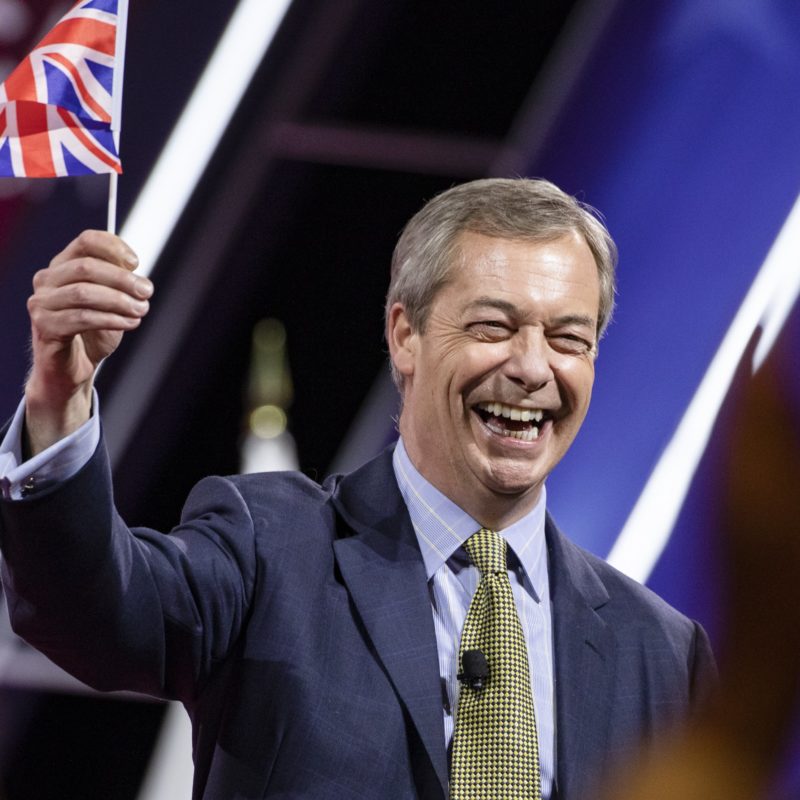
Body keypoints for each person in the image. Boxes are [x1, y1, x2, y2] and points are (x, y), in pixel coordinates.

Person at [0, 179, 715, 800]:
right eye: (493, 327)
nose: (533, 368)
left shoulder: (660, 654)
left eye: (568, 340)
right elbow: (94, 613)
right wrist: (58, 398)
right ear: (405, 335)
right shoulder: (270, 551)